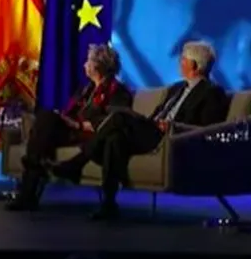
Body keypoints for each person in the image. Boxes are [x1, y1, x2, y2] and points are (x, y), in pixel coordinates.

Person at [50, 41, 230, 221]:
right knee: (115, 138)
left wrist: (173, 126)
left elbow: (207, 129)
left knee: (119, 116)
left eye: (183, 59)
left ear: (194, 65)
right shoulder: (177, 88)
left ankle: (77, 162)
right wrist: (149, 122)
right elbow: (159, 113)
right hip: (152, 129)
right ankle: (109, 203)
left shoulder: (212, 92)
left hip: (171, 137)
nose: (179, 62)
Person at [6, 43, 133, 212]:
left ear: (97, 66)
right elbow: (71, 111)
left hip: (91, 135)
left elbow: (114, 120)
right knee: (46, 117)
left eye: (88, 61)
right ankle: (32, 179)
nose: (84, 65)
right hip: (72, 131)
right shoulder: (86, 89)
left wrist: (78, 124)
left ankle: (29, 189)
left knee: (45, 126)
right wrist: (63, 118)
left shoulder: (119, 92)